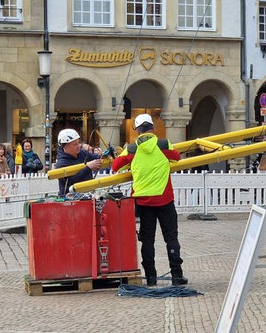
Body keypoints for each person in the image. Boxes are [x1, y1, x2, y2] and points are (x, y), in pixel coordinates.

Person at [111, 114, 187, 287]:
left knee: (147, 240)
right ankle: (177, 275)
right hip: (165, 199)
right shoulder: (163, 144)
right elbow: (177, 157)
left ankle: (151, 277)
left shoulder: (131, 149)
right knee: (171, 238)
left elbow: (116, 166)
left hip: (144, 202)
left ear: (137, 130)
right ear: (152, 128)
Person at [55, 128, 102, 196]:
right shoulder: (61, 163)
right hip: (70, 198)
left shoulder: (82, 153)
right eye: (75, 144)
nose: (79, 146)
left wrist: (102, 155)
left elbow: (95, 157)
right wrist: (88, 168)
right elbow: (71, 181)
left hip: (87, 194)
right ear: (65, 146)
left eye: (78, 143)